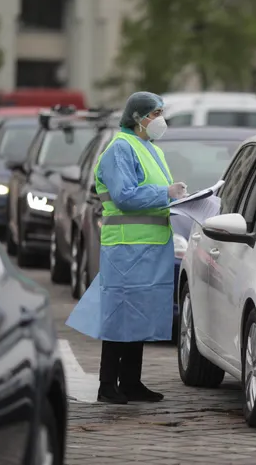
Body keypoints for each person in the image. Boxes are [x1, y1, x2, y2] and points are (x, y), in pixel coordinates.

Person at [66, 91, 188, 404]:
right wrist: (166, 193)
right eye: (155, 113)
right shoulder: (120, 148)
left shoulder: (149, 149)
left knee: (138, 314)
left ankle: (131, 382)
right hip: (125, 247)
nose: (160, 119)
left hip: (148, 246)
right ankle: (108, 385)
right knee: (120, 314)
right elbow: (124, 196)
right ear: (137, 116)